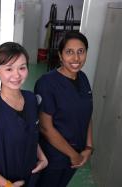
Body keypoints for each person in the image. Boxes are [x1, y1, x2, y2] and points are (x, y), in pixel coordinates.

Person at [0, 42, 48, 187]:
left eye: (22, 68)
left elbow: (31, 133)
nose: (17, 75)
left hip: (29, 176)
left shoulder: (31, 100)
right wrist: (6, 184)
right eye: (9, 69)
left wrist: (42, 156)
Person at [34, 31, 93, 187]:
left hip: (77, 155)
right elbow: (45, 127)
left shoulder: (83, 78)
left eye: (81, 52)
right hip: (54, 157)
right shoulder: (47, 83)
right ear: (60, 55)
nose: (76, 58)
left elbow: (87, 114)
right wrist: (73, 155)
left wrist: (88, 147)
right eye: (69, 52)